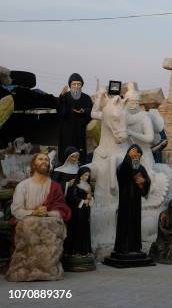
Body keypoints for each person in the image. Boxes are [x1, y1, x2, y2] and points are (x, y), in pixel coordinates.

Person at [7, 153, 71, 281]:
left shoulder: (55, 187)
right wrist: (34, 212)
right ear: (33, 163)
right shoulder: (23, 186)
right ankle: (25, 270)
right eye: (40, 159)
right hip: (26, 219)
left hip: (47, 220)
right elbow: (16, 209)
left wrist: (47, 212)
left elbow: (62, 209)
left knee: (53, 226)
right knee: (29, 225)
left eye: (47, 160)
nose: (44, 161)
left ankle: (48, 270)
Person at [112, 145, 151, 255]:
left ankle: (135, 246)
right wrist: (129, 158)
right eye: (135, 154)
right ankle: (123, 247)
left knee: (135, 222)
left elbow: (147, 181)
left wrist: (143, 182)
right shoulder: (123, 166)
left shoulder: (141, 168)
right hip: (125, 200)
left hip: (136, 200)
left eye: (139, 155)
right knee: (125, 222)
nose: (137, 157)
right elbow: (121, 175)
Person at [58, 73, 93, 163]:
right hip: (67, 131)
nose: (76, 86)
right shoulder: (65, 96)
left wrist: (84, 111)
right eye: (74, 84)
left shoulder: (86, 98)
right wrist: (61, 98)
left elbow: (91, 112)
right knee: (66, 152)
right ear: (70, 85)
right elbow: (60, 112)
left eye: (79, 84)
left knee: (80, 154)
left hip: (80, 130)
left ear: (82, 85)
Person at [64, 166, 94, 257]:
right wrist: (83, 201)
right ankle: (75, 251)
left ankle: (85, 250)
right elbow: (73, 197)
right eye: (85, 175)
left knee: (85, 230)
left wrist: (90, 199)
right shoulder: (75, 185)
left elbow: (90, 198)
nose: (87, 177)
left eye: (88, 175)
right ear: (80, 175)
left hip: (85, 211)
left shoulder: (88, 185)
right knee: (76, 230)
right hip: (76, 212)